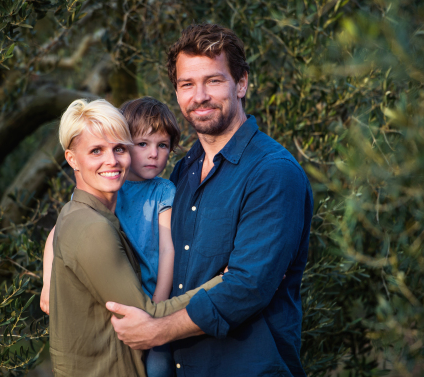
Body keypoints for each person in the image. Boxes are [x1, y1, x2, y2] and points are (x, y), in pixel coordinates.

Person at [106, 24, 314, 377]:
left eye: (213, 81)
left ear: (242, 83)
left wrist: (156, 330)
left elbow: (247, 287)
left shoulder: (273, 173)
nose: (199, 95)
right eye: (187, 84)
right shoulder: (181, 173)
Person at [48, 98, 223, 377]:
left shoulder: (121, 197)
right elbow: (57, 232)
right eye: (96, 151)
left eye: (118, 149)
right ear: (72, 159)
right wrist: (226, 282)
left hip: (146, 304)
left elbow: (167, 249)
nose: (111, 160)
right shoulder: (95, 218)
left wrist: (158, 297)